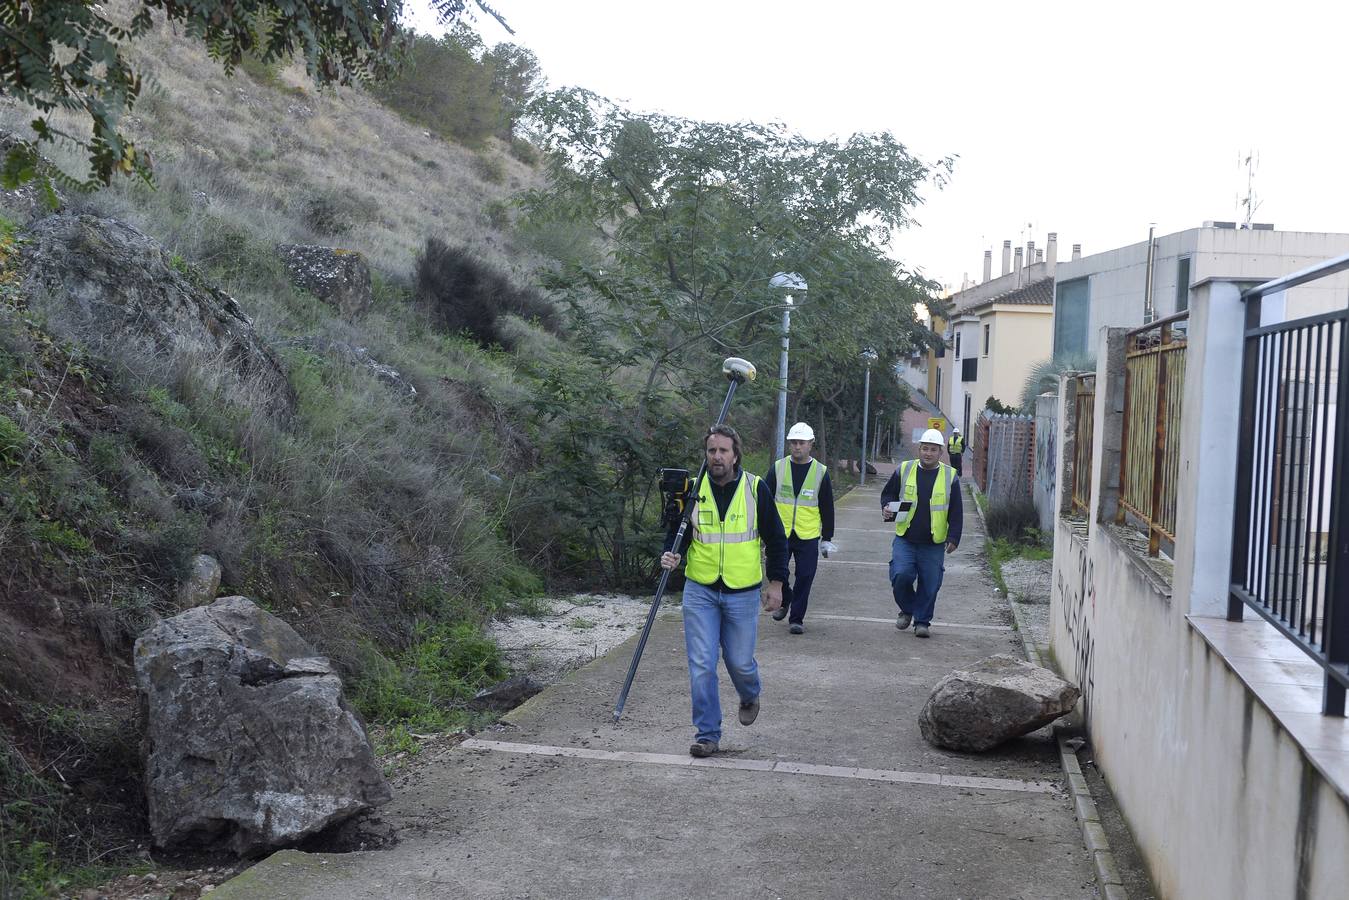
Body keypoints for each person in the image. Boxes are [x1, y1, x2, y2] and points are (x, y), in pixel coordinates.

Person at [660, 424, 788, 758]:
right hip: (700, 589)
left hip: (742, 591)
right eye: (711, 451)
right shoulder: (692, 490)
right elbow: (678, 532)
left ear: (735, 455)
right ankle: (707, 734)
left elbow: (776, 540)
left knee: (740, 662)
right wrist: (671, 553)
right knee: (702, 664)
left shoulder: (755, 488)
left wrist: (776, 583)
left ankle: (749, 693)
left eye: (723, 451)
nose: (717, 457)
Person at [880, 428, 963, 638]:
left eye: (932, 450)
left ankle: (922, 622)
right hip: (905, 537)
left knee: (931, 583)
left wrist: (954, 537)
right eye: (925, 449)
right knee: (900, 575)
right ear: (919, 449)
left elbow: (956, 510)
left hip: (933, 542)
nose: (928, 453)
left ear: (940, 452)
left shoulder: (949, 476)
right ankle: (907, 609)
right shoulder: (905, 469)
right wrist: (886, 506)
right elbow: (888, 493)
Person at [765, 421, 835, 635]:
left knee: (805, 575)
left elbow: (827, 507)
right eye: (793, 442)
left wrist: (827, 537)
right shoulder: (778, 468)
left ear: (811, 444)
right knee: (775, 571)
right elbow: (764, 500)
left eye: (801, 442)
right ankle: (786, 598)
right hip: (780, 533)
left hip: (808, 534)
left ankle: (796, 618)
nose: (797, 446)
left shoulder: (820, 472)